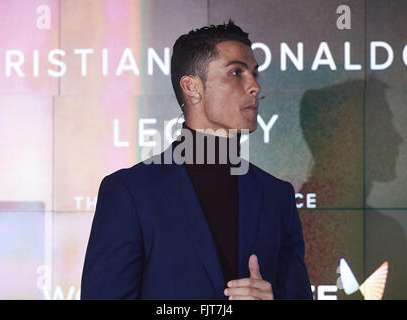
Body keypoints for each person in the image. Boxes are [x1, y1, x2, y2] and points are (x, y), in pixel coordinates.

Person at [81, 19, 312, 300]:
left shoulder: (278, 196)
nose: (254, 87)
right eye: (236, 73)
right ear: (192, 87)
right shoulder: (130, 192)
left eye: (254, 74)